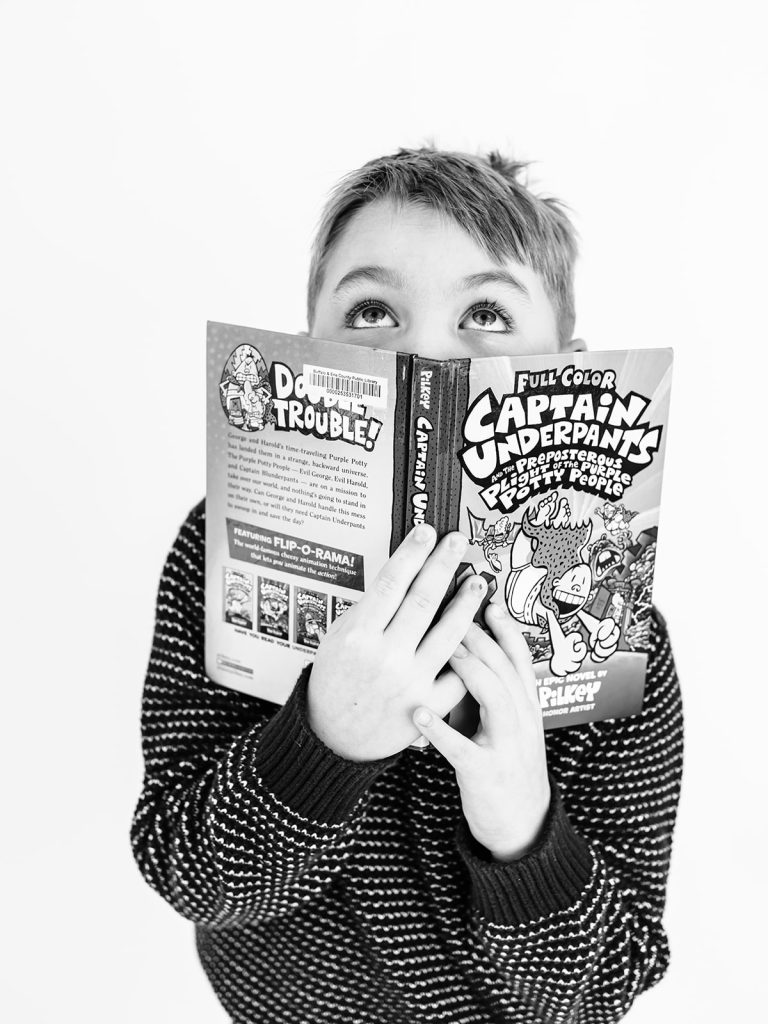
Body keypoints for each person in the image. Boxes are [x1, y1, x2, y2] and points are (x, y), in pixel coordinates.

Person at [131, 146, 684, 1024]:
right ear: (307, 343)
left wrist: (520, 827)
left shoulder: (614, 629)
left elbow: (598, 993)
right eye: (374, 308)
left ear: (568, 365)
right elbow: (187, 873)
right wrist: (325, 740)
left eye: (488, 313)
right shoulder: (223, 548)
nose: (424, 349)